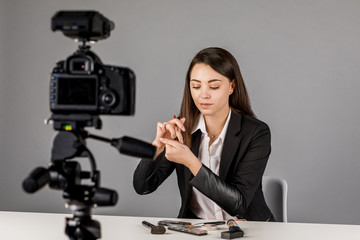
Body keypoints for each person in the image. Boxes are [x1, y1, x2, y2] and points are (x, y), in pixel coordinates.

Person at [133, 47, 275, 221]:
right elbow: (142, 187)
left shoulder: (256, 132)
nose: (203, 95)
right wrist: (156, 147)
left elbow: (238, 203)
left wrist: (191, 162)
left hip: (248, 229)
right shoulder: (182, 130)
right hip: (198, 230)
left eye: (214, 86)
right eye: (196, 86)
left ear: (232, 86)